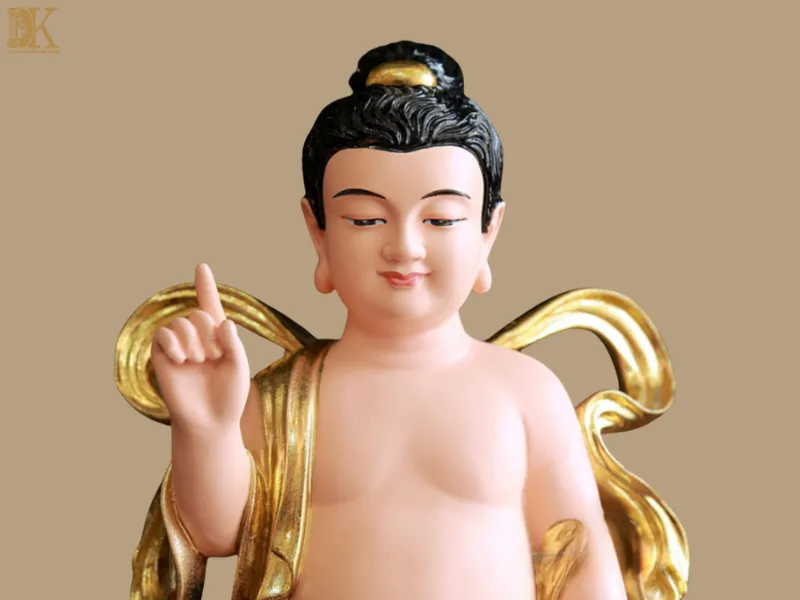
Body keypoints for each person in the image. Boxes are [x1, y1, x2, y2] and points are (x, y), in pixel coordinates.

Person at [115, 41, 689, 600]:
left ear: (488, 233)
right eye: (366, 219)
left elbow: (580, 551)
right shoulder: (283, 396)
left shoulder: (525, 391)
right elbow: (218, 534)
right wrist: (207, 429)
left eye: (441, 219)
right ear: (318, 232)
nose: (405, 247)